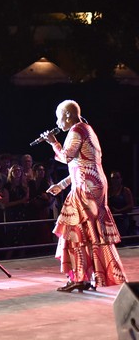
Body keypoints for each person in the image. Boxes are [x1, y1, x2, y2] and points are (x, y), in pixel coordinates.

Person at [41, 100, 127, 292]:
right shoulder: (87, 129)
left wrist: (53, 143)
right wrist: (61, 185)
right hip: (91, 183)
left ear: (68, 116)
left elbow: (67, 157)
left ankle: (80, 276)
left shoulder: (77, 130)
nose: (57, 122)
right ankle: (86, 276)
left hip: (86, 187)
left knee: (74, 231)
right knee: (87, 233)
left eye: (59, 117)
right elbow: (81, 166)